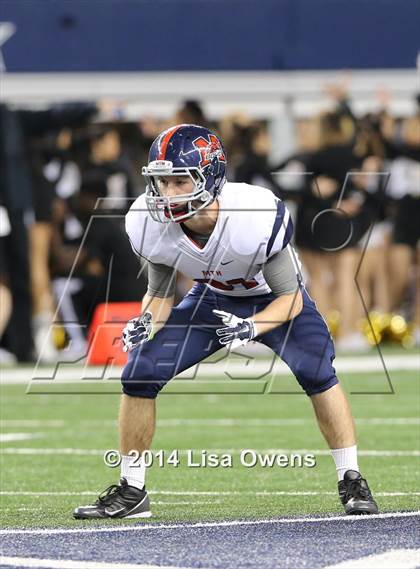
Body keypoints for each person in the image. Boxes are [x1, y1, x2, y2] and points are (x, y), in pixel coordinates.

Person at [74, 124, 378, 519]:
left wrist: (251, 328)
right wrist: (145, 321)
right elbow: (161, 293)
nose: (167, 193)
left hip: (272, 298)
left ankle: (351, 477)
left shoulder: (253, 215)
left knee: (318, 372)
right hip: (213, 297)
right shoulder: (149, 223)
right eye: (161, 181)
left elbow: (289, 299)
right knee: (140, 372)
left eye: (180, 181)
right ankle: (133, 491)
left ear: (212, 177)